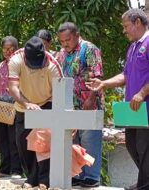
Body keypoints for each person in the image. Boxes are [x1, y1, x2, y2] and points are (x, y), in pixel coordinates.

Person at [87, 9, 149, 189]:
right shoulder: (132, 47)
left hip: (145, 107)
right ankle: (145, 182)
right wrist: (103, 84)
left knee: (145, 148)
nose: (124, 30)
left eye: (125, 26)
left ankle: (144, 185)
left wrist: (142, 93)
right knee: (132, 145)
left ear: (137, 22)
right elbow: (126, 76)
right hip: (132, 109)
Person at [8, 36, 63, 188]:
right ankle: (32, 177)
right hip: (23, 105)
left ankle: (44, 180)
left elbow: (60, 93)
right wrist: (27, 104)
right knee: (22, 142)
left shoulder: (53, 65)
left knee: (43, 143)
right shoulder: (15, 60)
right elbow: (12, 88)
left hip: (47, 103)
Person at [57, 22, 103, 187]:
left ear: (77, 35)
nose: (65, 44)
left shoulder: (89, 49)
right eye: (62, 41)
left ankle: (92, 176)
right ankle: (78, 174)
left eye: (68, 40)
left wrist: (91, 97)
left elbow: (96, 76)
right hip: (70, 105)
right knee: (74, 142)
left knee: (89, 140)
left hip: (89, 103)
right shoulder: (62, 53)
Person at [0, 36, 23, 178]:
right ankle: (5, 168)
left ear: (16, 49)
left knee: (14, 139)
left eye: (10, 49)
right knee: (1, 139)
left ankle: (16, 170)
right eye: (5, 49)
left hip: (15, 106)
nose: (7, 51)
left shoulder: (20, 65)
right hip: (0, 106)